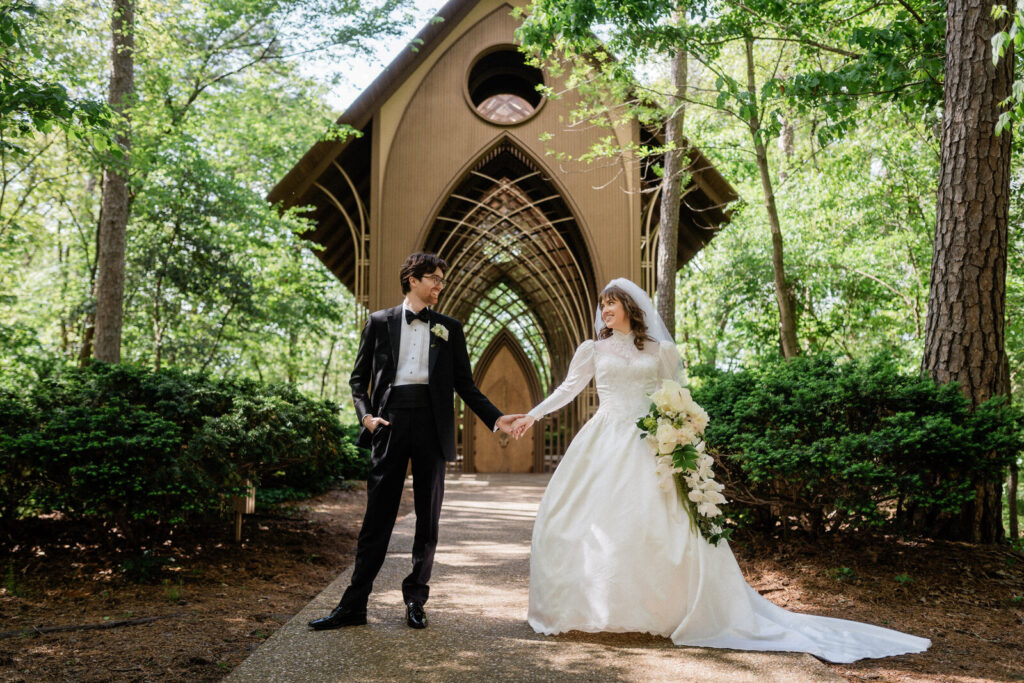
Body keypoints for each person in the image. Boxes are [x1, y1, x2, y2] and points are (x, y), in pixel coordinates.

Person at [511, 278, 930, 663]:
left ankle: (663, 611)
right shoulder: (592, 350)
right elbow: (568, 389)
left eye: (612, 303)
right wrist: (532, 414)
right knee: (585, 520)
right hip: (603, 438)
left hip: (647, 442)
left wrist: (680, 432)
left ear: (630, 308)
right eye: (602, 304)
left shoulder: (659, 351)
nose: (605, 309)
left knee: (654, 522)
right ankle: (593, 607)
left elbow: (673, 395)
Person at [309, 252, 523, 631]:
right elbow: (358, 380)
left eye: (442, 279)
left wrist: (496, 418)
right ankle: (354, 606)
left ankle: (415, 601)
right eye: (434, 278)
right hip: (388, 424)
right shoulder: (379, 322)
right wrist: (367, 418)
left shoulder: (449, 328)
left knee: (428, 520)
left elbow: (465, 385)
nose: (440, 285)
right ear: (412, 279)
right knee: (377, 520)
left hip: (431, 424)